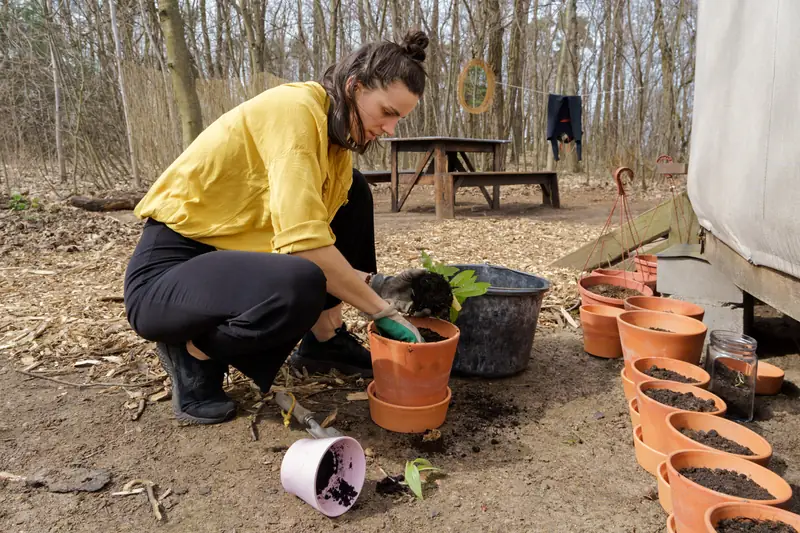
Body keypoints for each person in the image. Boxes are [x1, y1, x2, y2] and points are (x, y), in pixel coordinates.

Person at [123, 30, 433, 425]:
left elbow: (309, 235)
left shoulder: (335, 141)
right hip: (169, 277)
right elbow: (303, 246)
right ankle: (193, 353)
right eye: (387, 112)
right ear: (354, 86)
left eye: (399, 119)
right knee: (300, 280)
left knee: (353, 191)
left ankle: (326, 339)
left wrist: (373, 281)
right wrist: (381, 308)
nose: (390, 129)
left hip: (230, 261)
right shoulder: (296, 110)